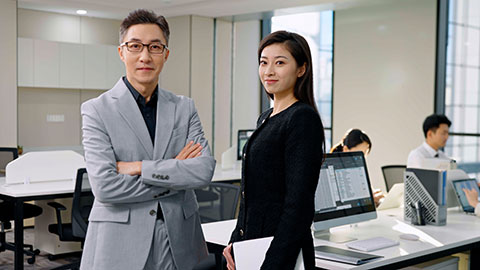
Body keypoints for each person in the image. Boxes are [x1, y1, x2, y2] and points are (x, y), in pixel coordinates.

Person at [80, 9, 215, 270]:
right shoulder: (97, 109)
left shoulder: (184, 108)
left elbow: (202, 171)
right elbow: (106, 187)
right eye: (135, 46)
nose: (145, 56)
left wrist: (140, 167)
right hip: (120, 240)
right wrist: (176, 171)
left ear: (165, 54)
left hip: (180, 240)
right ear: (122, 52)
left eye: (154, 47)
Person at [223, 31, 325, 270]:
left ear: (301, 69)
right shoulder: (266, 117)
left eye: (280, 62)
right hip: (252, 247)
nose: (269, 71)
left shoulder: (301, 118)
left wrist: (274, 264)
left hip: (279, 255)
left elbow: (298, 207)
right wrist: (234, 243)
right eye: (263, 62)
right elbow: (253, 197)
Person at [330, 129, 384, 206]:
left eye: (365, 154)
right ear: (345, 149)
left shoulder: (359, 170)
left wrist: (374, 197)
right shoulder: (334, 171)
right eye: (359, 153)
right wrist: (369, 200)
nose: (362, 158)